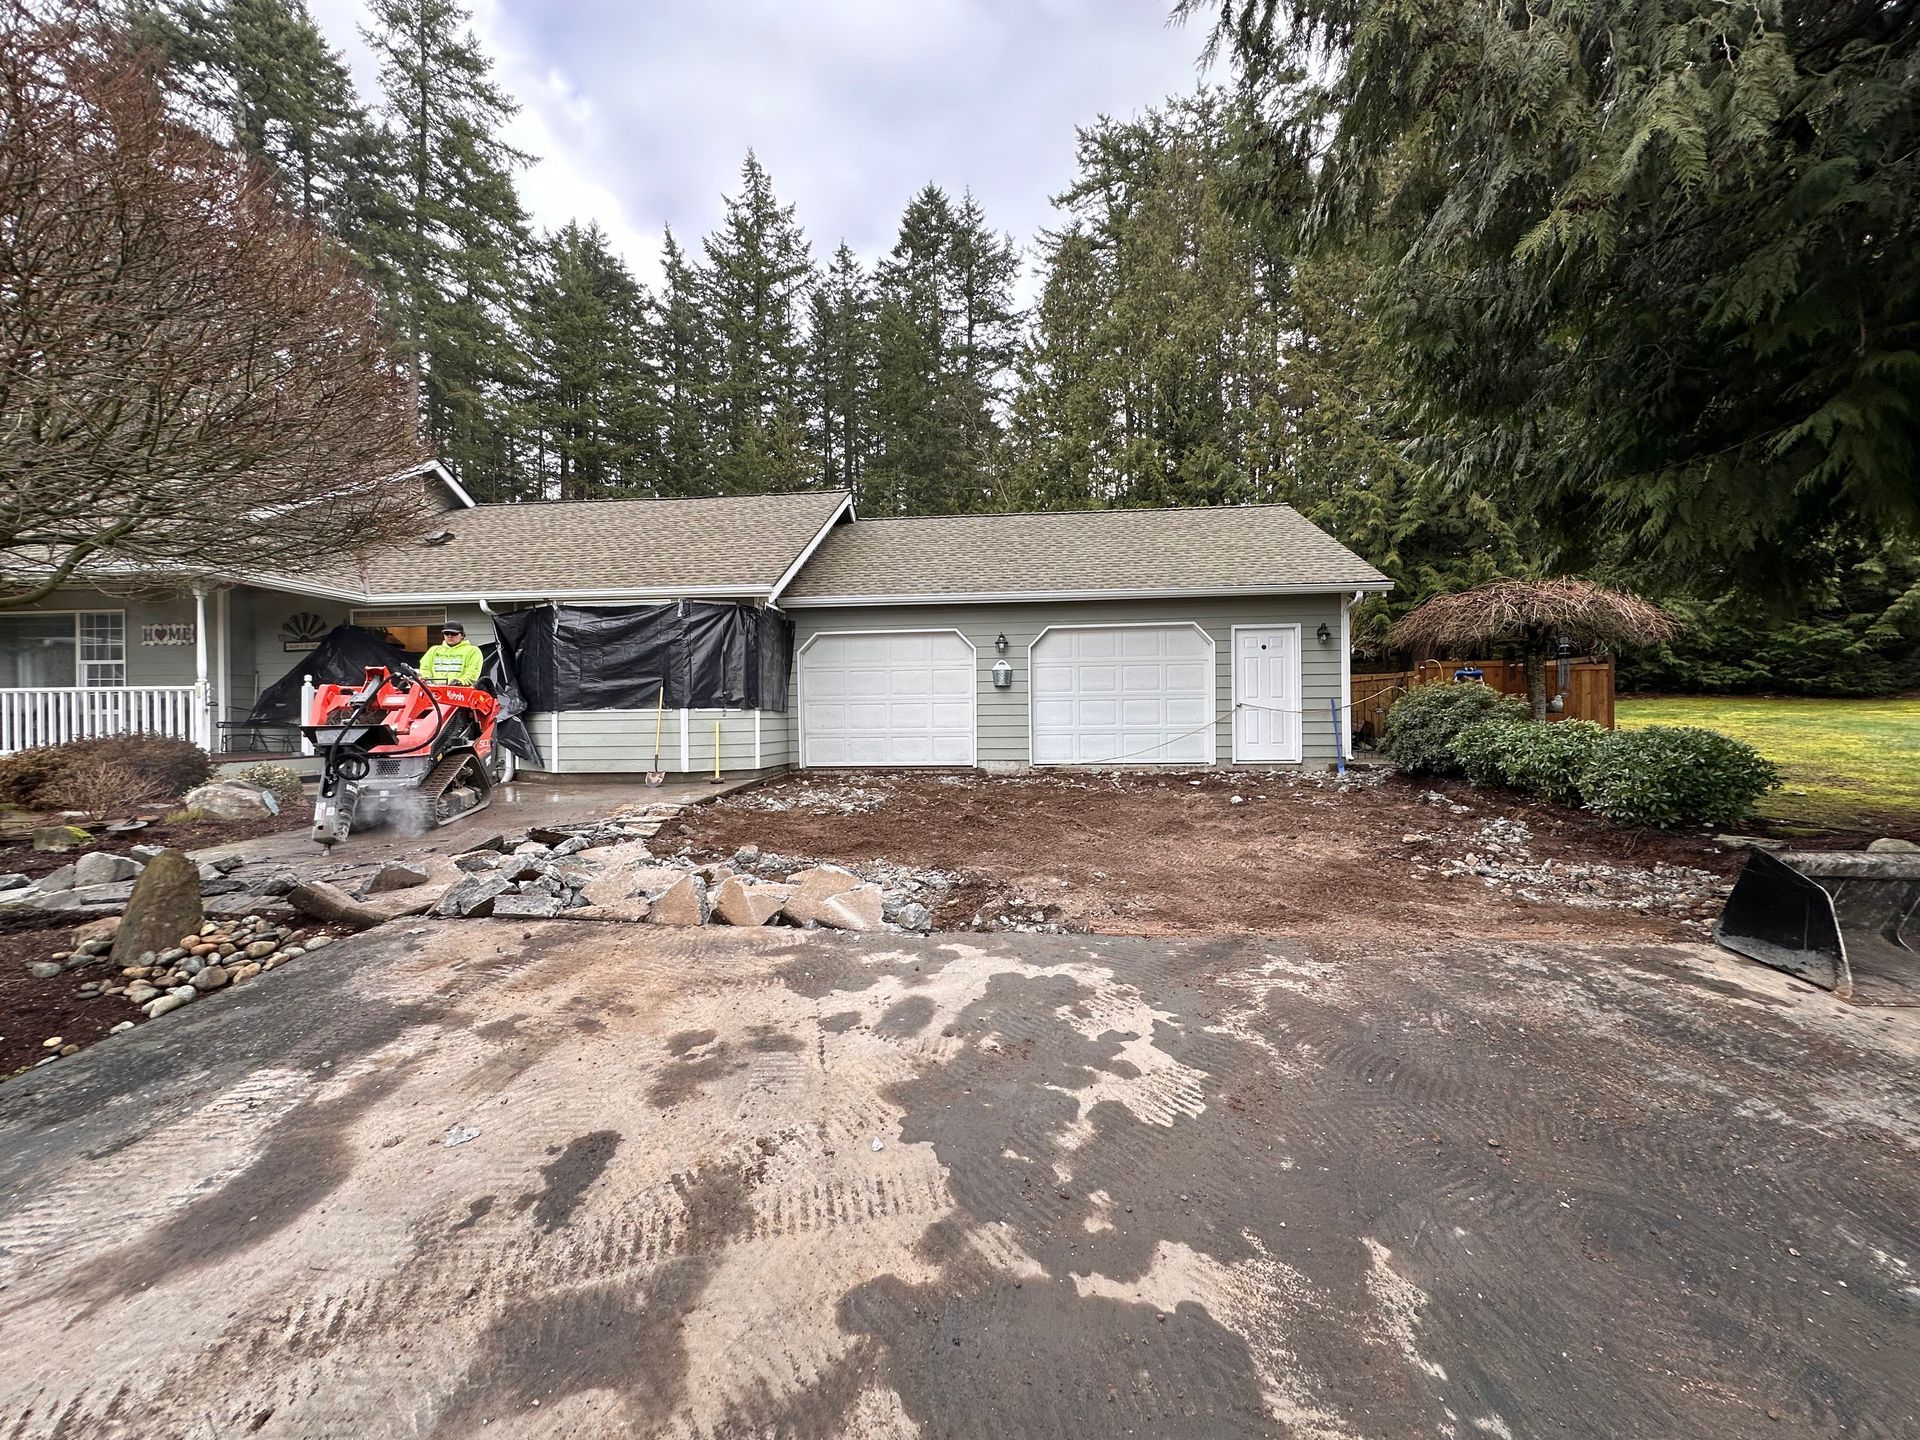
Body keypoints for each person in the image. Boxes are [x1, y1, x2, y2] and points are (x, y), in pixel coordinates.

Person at [419, 622, 483, 685]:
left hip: (460, 692)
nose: (450, 636)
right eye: (446, 633)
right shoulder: (433, 650)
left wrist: (460, 682)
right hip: (434, 691)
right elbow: (424, 668)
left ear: (462, 635)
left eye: (453, 633)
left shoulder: (473, 651)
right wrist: (427, 680)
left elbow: (473, 672)